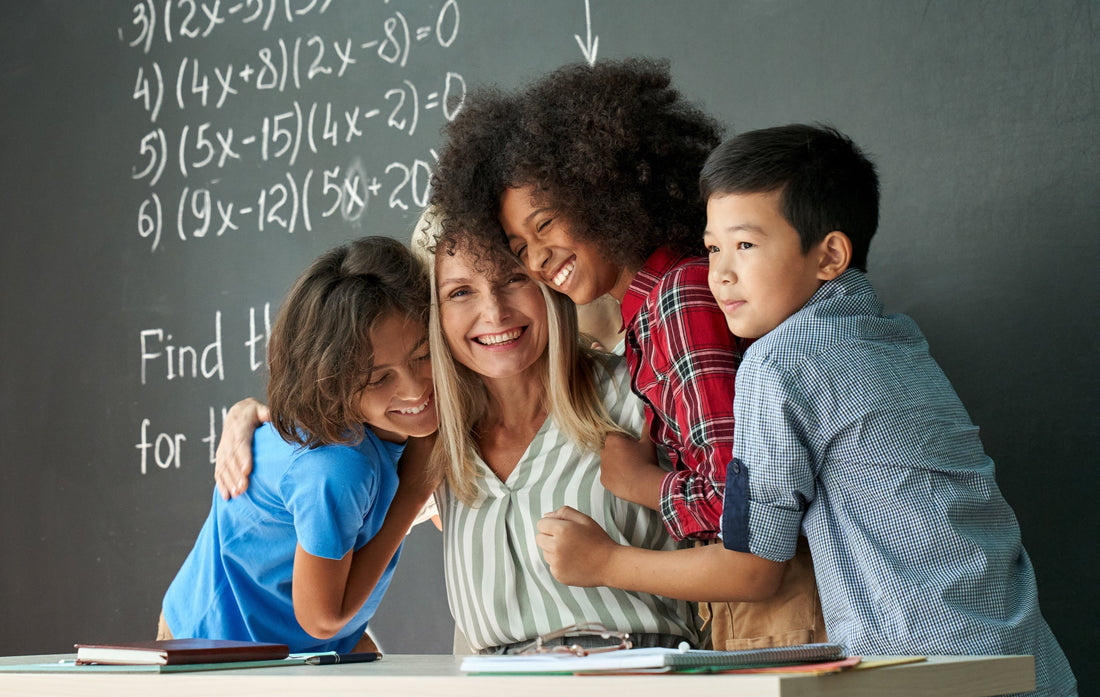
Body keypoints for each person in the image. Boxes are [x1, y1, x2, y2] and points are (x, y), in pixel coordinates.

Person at [535, 124, 1077, 695]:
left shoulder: (775, 367)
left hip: (916, 671)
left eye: (744, 245)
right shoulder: (900, 339)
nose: (719, 272)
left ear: (829, 256)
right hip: (1025, 659)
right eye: (713, 246)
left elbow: (751, 567)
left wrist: (603, 562)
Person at [430, 57, 823, 649]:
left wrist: (638, 484)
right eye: (520, 247)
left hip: (771, 609)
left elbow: (733, 511)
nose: (537, 259)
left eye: (546, 225)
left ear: (602, 192)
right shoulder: (654, 309)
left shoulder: (680, 301)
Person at [216, 209, 700, 655]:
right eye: (460, 292)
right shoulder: (434, 438)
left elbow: (752, 547)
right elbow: (323, 409)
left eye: (514, 278)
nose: (494, 313)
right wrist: (251, 415)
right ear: (433, 314)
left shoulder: (641, 390)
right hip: (483, 679)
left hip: (638, 672)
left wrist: (612, 560)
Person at [161, 237, 440, 654]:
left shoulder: (406, 426)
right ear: (335, 383)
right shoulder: (338, 466)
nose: (415, 387)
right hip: (217, 641)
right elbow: (322, 619)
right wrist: (416, 490)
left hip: (293, 631)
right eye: (380, 378)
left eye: (423, 356)